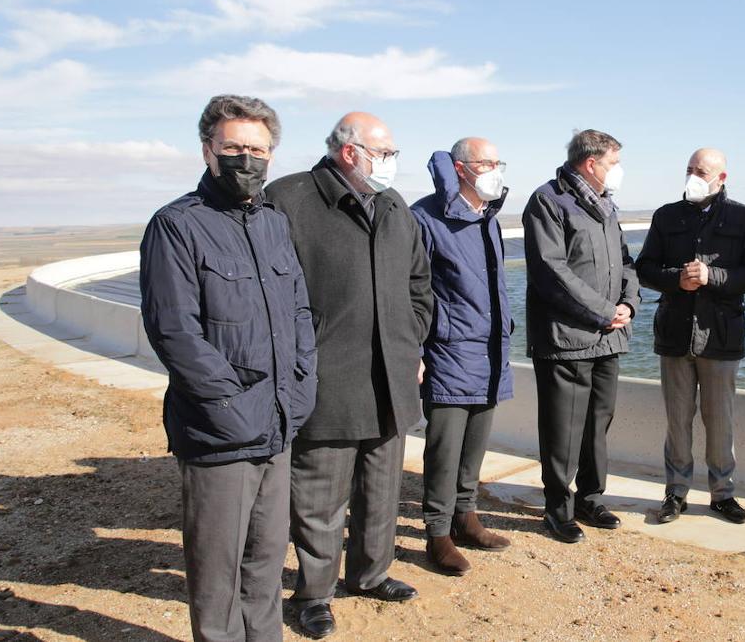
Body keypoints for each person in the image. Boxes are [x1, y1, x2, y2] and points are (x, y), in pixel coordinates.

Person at [139, 94, 317, 642]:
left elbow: (299, 310)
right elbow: (175, 331)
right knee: (217, 575)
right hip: (219, 432)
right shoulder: (177, 226)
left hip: (280, 424)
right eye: (234, 147)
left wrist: (303, 383)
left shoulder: (272, 223)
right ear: (208, 150)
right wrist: (231, 405)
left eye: (258, 149)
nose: (247, 159)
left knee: (265, 562)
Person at [265, 112, 433, 639]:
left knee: (381, 489)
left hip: (392, 376)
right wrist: (299, 358)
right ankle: (314, 594)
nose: (391, 162)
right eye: (383, 152)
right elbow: (272, 292)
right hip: (326, 377)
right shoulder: (289, 199)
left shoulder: (392, 205)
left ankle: (370, 574)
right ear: (349, 151)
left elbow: (419, 283)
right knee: (319, 497)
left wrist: (411, 339)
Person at [636, 148, 745, 525]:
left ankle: (722, 494)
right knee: (677, 419)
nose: (693, 176)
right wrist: (674, 278)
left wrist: (714, 277)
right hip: (675, 333)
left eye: (702, 171)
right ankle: (675, 493)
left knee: (720, 420)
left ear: (721, 178)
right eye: (689, 169)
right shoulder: (666, 216)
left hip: (721, 336)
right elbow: (645, 268)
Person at [522, 129, 640, 543]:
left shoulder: (606, 206)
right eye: (613, 163)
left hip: (609, 337)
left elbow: (625, 261)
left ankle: (590, 497)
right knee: (563, 429)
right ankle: (557, 508)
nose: (618, 171)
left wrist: (628, 303)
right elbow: (552, 271)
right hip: (566, 339)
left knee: (597, 424)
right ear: (591, 164)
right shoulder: (547, 201)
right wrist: (604, 311)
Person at [410, 138, 514, 576]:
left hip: (489, 351)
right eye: (486, 162)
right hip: (448, 352)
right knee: (444, 448)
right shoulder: (425, 218)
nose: (495, 170)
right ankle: (437, 533)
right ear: (460, 168)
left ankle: (466, 516)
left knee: (474, 444)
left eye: (498, 161)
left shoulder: (486, 217)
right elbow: (411, 290)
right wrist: (415, 351)